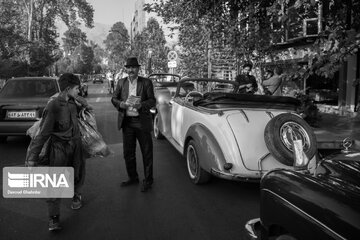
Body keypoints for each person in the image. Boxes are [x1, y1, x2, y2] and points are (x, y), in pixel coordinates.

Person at [26, 73, 91, 231]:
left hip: (76, 145)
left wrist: (79, 99)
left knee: (78, 174)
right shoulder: (53, 105)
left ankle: (76, 195)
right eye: (77, 88)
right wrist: (31, 158)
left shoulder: (74, 102)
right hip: (59, 149)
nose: (79, 90)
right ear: (68, 88)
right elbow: (43, 134)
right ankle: (53, 218)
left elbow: (88, 107)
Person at [111, 57, 156, 192]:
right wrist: (121, 104)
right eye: (129, 67)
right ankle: (133, 177)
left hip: (141, 122)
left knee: (146, 153)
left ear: (138, 69)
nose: (131, 70)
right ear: (126, 69)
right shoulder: (121, 83)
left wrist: (141, 105)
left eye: (133, 67)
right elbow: (114, 98)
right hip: (127, 123)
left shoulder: (146, 82)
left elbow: (152, 100)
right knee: (128, 153)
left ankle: (148, 180)